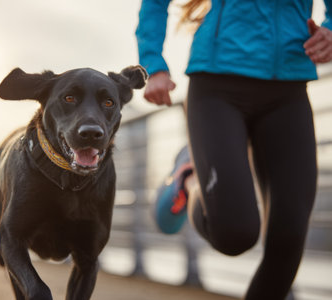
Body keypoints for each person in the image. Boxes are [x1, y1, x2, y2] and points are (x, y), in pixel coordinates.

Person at [136, 0, 332, 299]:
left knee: (289, 239)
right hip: (217, 87)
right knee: (234, 235)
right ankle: (189, 179)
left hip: (289, 89)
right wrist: (154, 63)